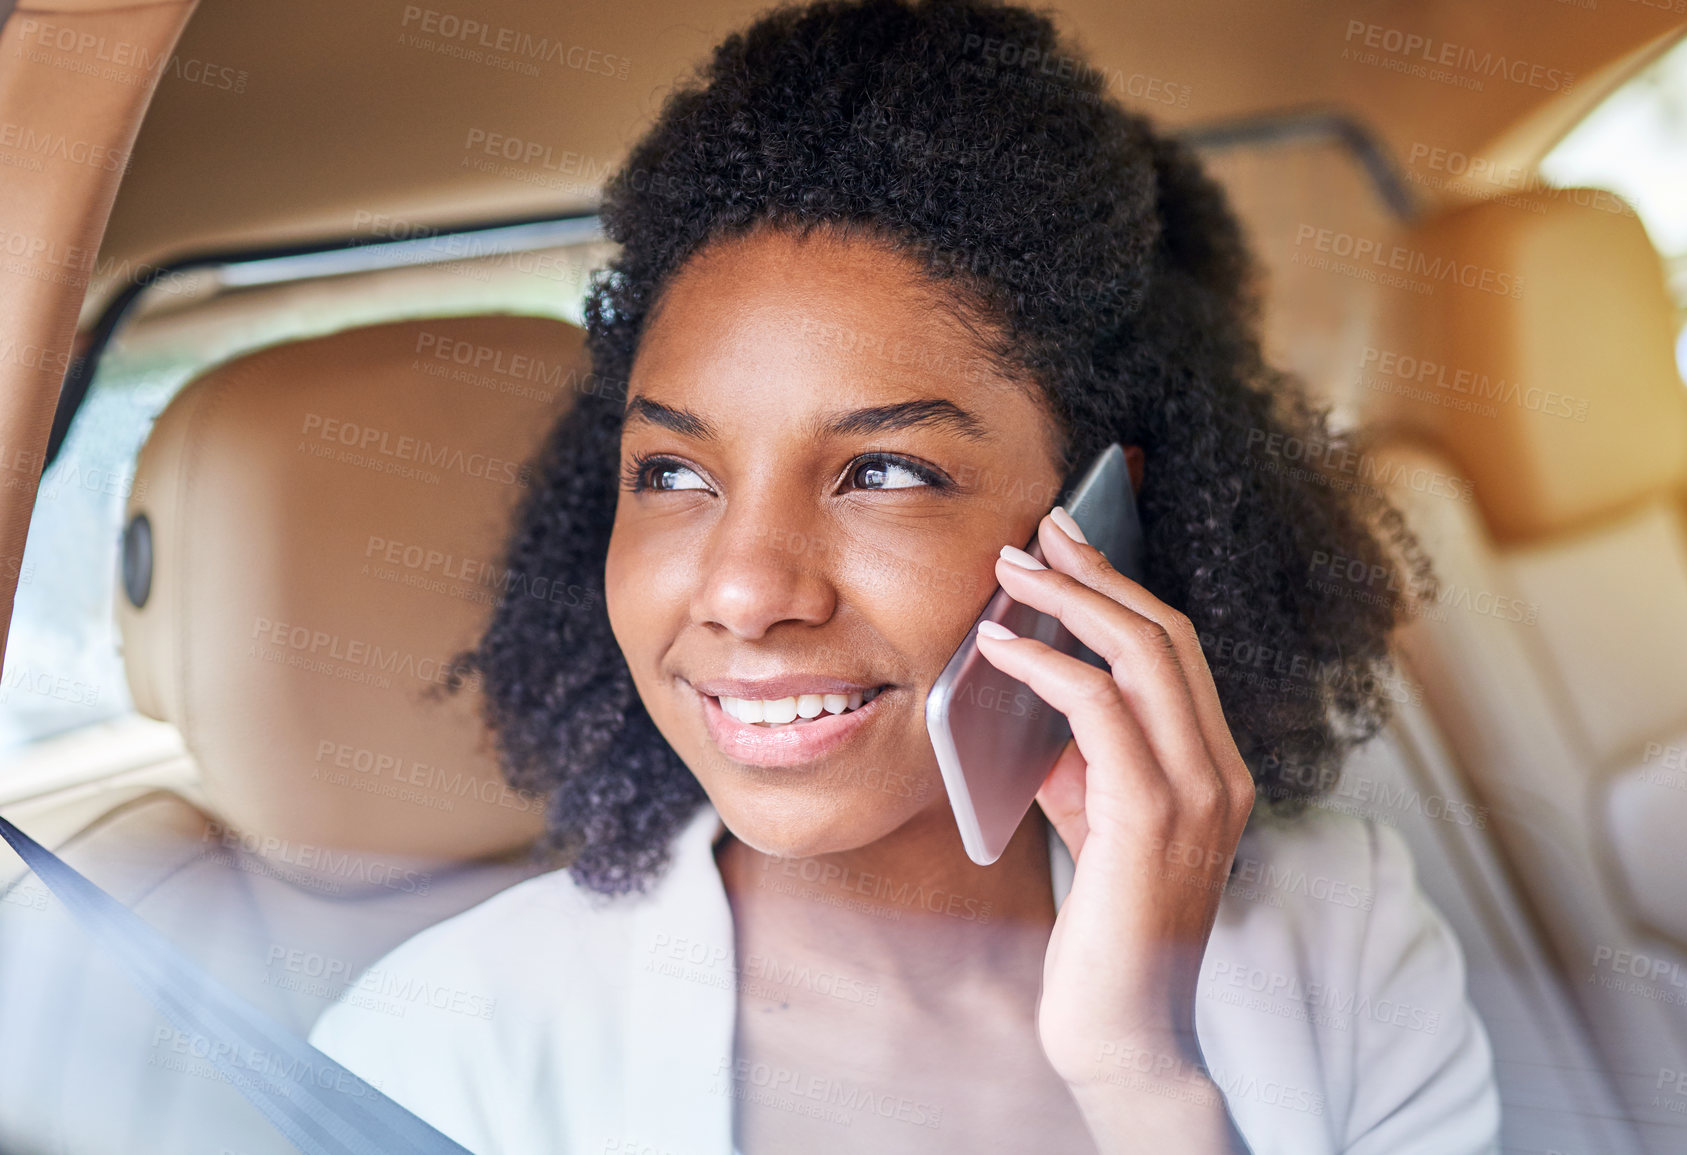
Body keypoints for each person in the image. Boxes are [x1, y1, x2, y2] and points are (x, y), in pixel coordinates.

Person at [309, 1, 1498, 1151]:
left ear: (1099, 521)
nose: (743, 590)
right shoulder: (428, 1062)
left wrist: (1142, 1075)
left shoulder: (1341, 931)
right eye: (672, 473)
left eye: (882, 470)